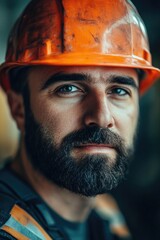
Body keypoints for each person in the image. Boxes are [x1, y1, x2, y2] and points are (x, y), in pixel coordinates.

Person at [0, 0, 159, 239]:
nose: (102, 117)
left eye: (119, 91)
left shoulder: (105, 214)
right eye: (69, 89)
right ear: (19, 107)